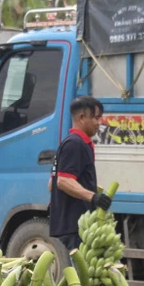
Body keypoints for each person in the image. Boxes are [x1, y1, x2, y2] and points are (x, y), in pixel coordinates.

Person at [48, 96, 113, 251]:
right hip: (75, 226)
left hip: (74, 226)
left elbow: (51, 184)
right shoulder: (75, 144)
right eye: (96, 118)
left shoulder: (72, 143)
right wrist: (93, 197)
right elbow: (63, 181)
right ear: (82, 118)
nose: (99, 123)